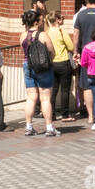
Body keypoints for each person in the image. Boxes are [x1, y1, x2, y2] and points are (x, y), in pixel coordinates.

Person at [20, 8, 58, 137]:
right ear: (36, 22)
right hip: (43, 68)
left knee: (31, 98)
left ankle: (29, 126)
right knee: (45, 98)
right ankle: (49, 127)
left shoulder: (23, 35)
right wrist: (49, 61)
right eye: (40, 21)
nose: (42, 22)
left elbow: (24, 51)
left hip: (27, 66)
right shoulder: (43, 35)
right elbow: (52, 51)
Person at [44, 7, 76, 122]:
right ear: (57, 20)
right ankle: (65, 114)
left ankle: (51, 114)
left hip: (51, 64)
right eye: (61, 18)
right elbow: (71, 47)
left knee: (53, 90)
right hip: (63, 62)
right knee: (65, 90)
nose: (63, 19)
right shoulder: (61, 31)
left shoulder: (46, 32)